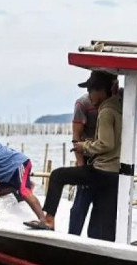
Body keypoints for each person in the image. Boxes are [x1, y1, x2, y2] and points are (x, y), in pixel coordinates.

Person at [24, 71, 121, 241]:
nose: (89, 96)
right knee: (100, 225)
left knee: (57, 176)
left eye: (91, 90)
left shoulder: (105, 110)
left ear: (100, 90)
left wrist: (83, 146)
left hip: (102, 170)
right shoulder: (121, 106)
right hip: (116, 173)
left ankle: (49, 219)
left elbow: (106, 144)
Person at [68, 72, 118, 235]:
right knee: (81, 204)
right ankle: (73, 239)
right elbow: (76, 137)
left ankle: (95, 240)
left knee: (102, 207)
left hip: (108, 162)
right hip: (88, 157)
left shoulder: (118, 101)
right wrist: (81, 163)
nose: (90, 94)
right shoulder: (82, 104)